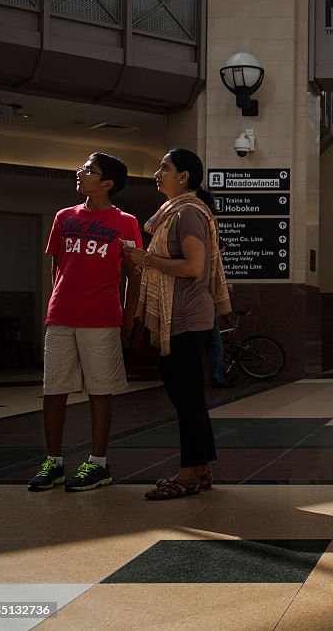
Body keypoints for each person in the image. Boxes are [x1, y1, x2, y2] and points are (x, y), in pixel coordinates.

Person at [29, 153, 142, 492]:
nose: (80, 173)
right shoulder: (64, 217)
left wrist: (128, 317)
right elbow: (57, 266)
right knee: (54, 390)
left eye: (88, 170)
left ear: (106, 183)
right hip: (61, 316)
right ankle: (54, 462)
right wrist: (54, 303)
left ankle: (98, 464)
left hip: (102, 318)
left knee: (100, 390)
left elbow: (133, 275)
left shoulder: (126, 222)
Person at [123, 148, 231, 500]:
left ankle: (186, 475)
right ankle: (200, 470)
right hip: (183, 315)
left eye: (163, 168)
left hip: (184, 317)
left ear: (184, 177)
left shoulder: (187, 213)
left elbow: (192, 267)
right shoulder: (176, 213)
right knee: (190, 399)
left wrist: (146, 259)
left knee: (186, 400)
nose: (157, 173)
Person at [207, 240, 235, 387]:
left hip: (209, 311)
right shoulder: (209, 265)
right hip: (207, 311)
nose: (221, 257)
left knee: (215, 345)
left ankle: (219, 375)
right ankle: (218, 377)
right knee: (215, 345)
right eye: (221, 253)